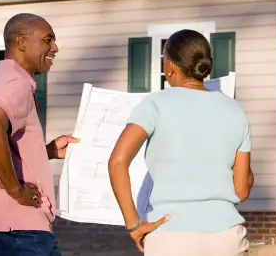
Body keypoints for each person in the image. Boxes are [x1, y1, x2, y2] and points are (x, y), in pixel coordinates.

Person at [108, 29, 254, 256]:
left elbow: (117, 161)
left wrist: (134, 225)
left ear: (170, 66)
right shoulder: (235, 110)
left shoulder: (155, 104)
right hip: (226, 238)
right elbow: (242, 190)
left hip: (170, 237)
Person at [0, 13, 78, 256]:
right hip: (18, 227)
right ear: (21, 42)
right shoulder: (15, 83)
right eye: (48, 40)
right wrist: (16, 190)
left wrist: (45, 151)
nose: (55, 48)